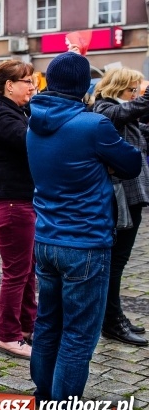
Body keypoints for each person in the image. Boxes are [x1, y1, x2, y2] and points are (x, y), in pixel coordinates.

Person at [27, 51, 141, 410]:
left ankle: (44, 400)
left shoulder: (34, 122)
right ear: (82, 87)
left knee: (47, 324)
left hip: (46, 239)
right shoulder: (92, 126)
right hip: (86, 244)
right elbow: (132, 164)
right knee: (78, 335)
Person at [0, 60, 37, 359]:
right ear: (9, 85)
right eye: (26, 81)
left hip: (20, 199)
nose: (32, 85)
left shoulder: (14, 110)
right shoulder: (1, 114)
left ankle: (27, 326)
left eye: (32, 80)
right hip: (11, 202)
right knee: (17, 273)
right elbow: (31, 142)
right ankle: (9, 335)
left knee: (28, 271)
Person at [91, 67, 149, 346]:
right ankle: (111, 321)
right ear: (119, 89)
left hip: (130, 194)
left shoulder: (119, 109)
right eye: (132, 90)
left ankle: (115, 317)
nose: (135, 96)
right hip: (119, 196)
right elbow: (121, 115)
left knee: (119, 261)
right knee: (115, 262)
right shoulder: (104, 108)